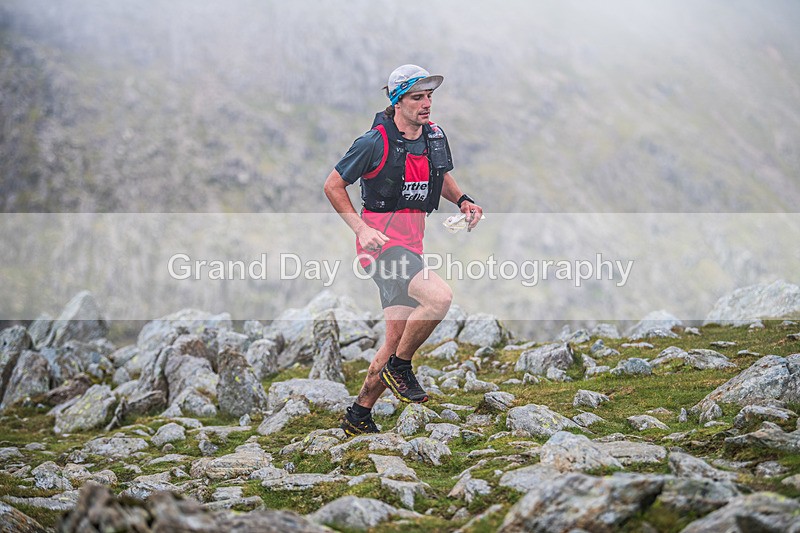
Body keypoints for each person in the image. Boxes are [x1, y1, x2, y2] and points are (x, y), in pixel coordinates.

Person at [323, 64, 483, 436]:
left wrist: (463, 200)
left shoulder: (433, 137)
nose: (427, 104)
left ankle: (358, 416)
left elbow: (439, 175)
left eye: (430, 96)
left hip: (412, 244)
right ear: (397, 101)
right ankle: (400, 368)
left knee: (395, 338)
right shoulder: (372, 143)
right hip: (380, 247)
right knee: (439, 298)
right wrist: (361, 229)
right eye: (417, 97)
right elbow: (333, 185)